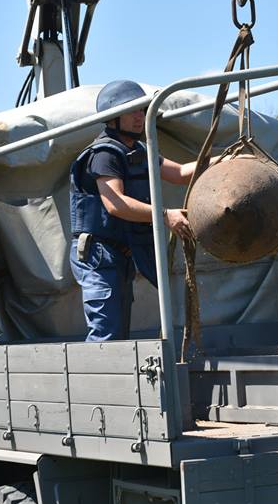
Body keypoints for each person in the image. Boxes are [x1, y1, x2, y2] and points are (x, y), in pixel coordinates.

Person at [69, 80, 195, 341]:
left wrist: (225, 160)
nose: (141, 116)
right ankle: (98, 381)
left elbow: (181, 173)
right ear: (114, 117)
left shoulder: (137, 151)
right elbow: (115, 204)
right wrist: (165, 215)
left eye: (142, 110)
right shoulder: (105, 154)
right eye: (133, 111)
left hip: (120, 254)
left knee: (117, 334)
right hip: (98, 255)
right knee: (107, 335)